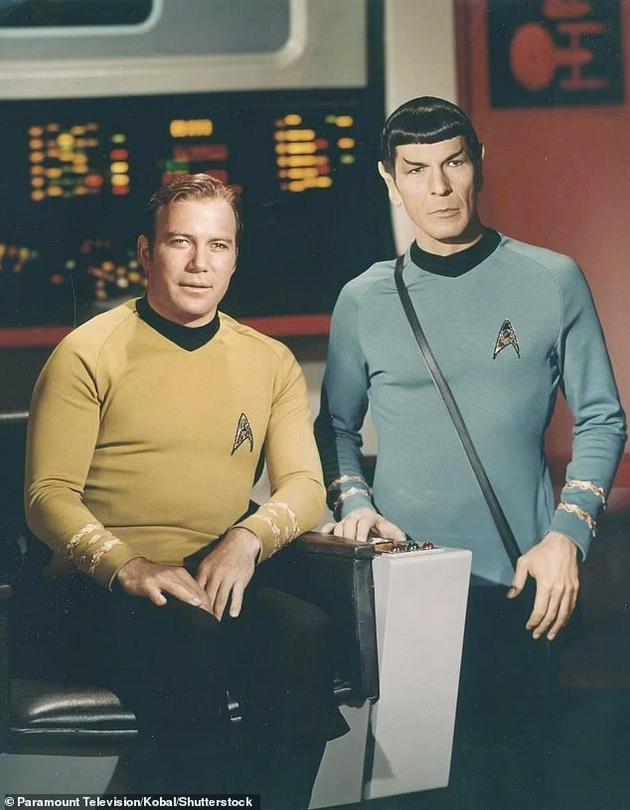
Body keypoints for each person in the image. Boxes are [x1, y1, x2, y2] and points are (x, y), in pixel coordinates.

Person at [315, 96, 626, 806]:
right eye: (416, 170)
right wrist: (355, 503)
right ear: (390, 180)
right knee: (415, 792)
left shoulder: (551, 278)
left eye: (453, 163)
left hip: (523, 586)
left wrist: (568, 535)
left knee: (520, 789)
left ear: (479, 164)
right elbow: (333, 427)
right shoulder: (363, 299)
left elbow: (603, 418)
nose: (439, 187)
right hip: (405, 588)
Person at [25, 173, 347, 808]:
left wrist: (247, 540)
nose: (201, 263)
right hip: (98, 590)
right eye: (181, 242)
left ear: (235, 257)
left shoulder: (270, 361)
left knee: (303, 631)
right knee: (190, 642)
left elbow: (306, 487)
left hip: (210, 579)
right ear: (147, 253)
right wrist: (129, 566)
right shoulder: (85, 353)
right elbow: (47, 496)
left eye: (218, 245)